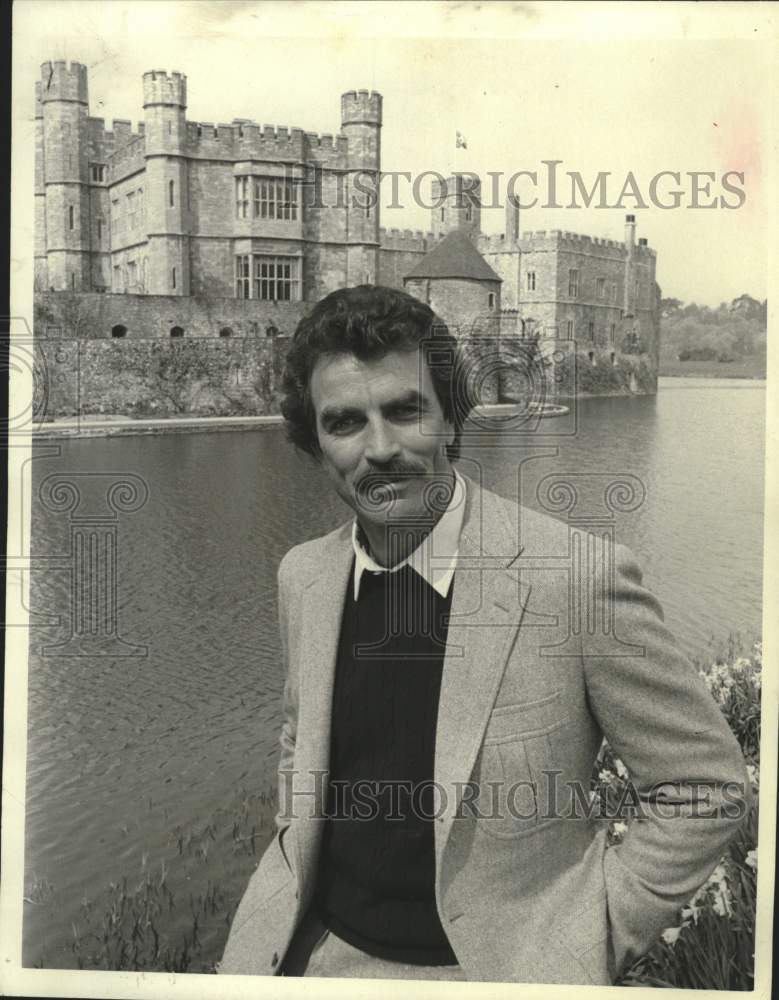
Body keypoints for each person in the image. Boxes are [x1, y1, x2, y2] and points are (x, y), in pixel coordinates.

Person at [219, 284, 751, 984]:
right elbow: (298, 736)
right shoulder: (304, 576)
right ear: (314, 443)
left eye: (405, 411)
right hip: (298, 954)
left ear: (450, 419)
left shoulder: (574, 578)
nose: (378, 449)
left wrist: (582, 942)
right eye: (345, 423)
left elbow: (702, 786)